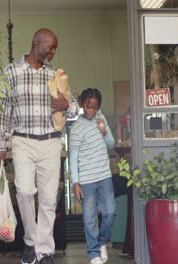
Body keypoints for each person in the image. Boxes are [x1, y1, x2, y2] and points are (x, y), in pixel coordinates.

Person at [0, 28, 79, 264]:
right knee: (24, 192)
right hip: (22, 142)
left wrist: (66, 105)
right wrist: (0, 144)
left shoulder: (55, 75)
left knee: (50, 200)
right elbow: (2, 109)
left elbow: (75, 109)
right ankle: (31, 240)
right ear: (36, 43)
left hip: (51, 142)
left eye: (55, 49)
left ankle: (44, 251)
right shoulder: (12, 71)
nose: (53, 52)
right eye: (50, 47)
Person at [69, 88, 116, 264]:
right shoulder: (76, 128)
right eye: (89, 107)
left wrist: (104, 131)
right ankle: (93, 253)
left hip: (105, 177)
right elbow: (73, 158)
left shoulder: (101, 119)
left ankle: (102, 242)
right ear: (82, 104)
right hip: (87, 181)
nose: (92, 111)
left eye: (95, 108)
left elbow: (111, 143)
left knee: (110, 212)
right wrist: (76, 183)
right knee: (89, 219)